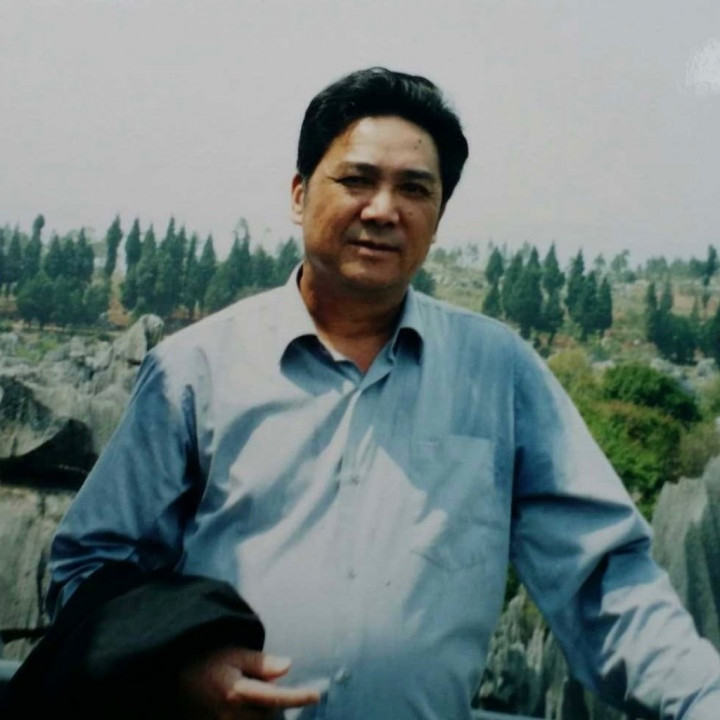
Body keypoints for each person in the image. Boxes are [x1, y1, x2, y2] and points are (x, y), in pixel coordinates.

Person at [4, 67, 720, 720]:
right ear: (298, 193)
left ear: (438, 216)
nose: (383, 209)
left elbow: (602, 580)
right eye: (356, 180)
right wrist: (176, 667)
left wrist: (701, 699)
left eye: (415, 189)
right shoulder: (195, 369)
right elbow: (89, 570)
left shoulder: (499, 372)